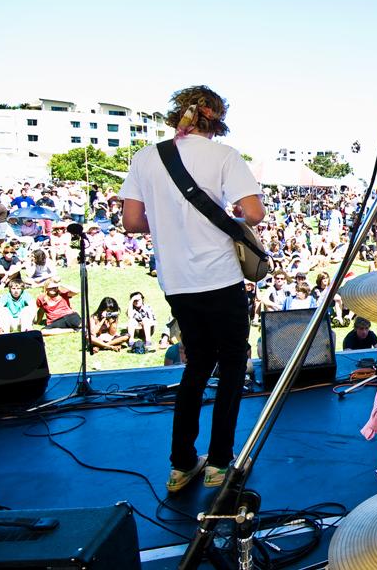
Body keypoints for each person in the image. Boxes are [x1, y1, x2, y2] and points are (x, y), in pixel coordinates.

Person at [120, 85, 265, 493]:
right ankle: (220, 463)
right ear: (216, 119)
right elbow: (253, 212)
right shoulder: (224, 156)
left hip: (176, 281)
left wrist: (168, 222)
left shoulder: (145, 157)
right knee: (234, 365)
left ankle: (181, 464)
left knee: (197, 365)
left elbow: (132, 221)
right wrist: (228, 213)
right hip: (218, 277)